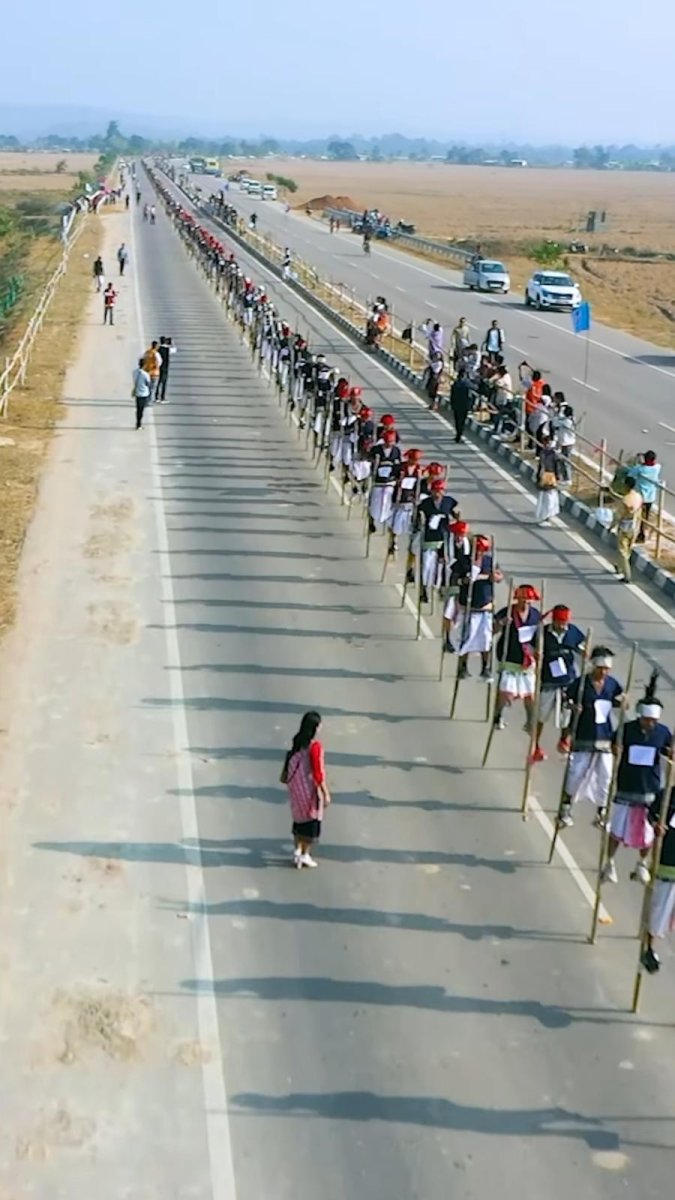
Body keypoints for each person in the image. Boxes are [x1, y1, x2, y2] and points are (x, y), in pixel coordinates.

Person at [601, 673, 672, 885]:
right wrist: (616, 748)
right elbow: (614, 746)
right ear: (640, 716)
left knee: (649, 831)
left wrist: (670, 753)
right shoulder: (626, 730)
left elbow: (669, 752)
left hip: (650, 789)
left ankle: (641, 864)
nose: (650, 723)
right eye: (647, 719)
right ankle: (609, 864)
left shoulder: (663, 732)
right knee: (617, 830)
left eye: (654, 720)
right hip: (626, 787)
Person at [557, 646, 624, 829]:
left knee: (606, 776)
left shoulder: (612, 685)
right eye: (600, 668)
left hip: (604, 738)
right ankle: (565, 807)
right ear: (593, 666)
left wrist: (623, 703)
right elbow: (565, 704)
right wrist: (567, 730)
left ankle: (601, 812)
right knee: (576, 773)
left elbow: (616, 701)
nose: (603, 672)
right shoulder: (579, 684)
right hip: (583, 736)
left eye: (606, 669)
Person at [530, 605, 586, 763]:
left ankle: (564, 739)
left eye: (564, 622)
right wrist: (536, 655)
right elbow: (529, 648)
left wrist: (584, 652)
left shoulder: (573, 631)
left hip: (568, 680)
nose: (562, 625)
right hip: (548, 680)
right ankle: (535, 745)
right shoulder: (542, 633)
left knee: (568, 715)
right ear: (553, 620)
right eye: (559, 622)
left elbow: (581, 646)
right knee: (541, 715)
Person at [446, 535, 502, 679]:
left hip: (485, 608)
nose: (479, 553)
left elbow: (499, 576)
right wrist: (463, 580)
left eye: (482, 550)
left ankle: (485, 667)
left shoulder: (490, 561)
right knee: (466, 640)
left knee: (485, 640)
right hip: (468, 608)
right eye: (477, 550)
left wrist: (494, 577)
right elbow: (453, 579)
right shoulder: (464, 561)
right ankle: (462, 667)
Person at [282, 710, 330, 869]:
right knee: (310, 823)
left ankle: (297, 851)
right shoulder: (315, 747)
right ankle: (305, 854)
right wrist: (325, 792)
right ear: (315, 728)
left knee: (298, 820)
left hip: (296, 789)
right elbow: (318, 772)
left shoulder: (297, 742)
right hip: (310, 791)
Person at [492, 585, 541, 732]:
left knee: (529, 694)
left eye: (528, 600)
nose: (525, 602)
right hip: (509, 657)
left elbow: (540, 637)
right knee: (505, 691)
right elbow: (492, 630)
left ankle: (530, 721)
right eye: (522, 599)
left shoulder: (536, 615)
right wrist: (501, 624)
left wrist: (539, 652)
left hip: (527, 660)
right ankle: (498, 716)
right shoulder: (507, 612)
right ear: (517, 599)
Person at [641, 788, 675, 974]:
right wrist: (657, 825)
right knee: (659, 910)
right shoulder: (667, 796)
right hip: (668, 862)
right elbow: (651, 814)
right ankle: (649, 949)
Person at [610, 474, 643, 582]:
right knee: (627, 549)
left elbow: (618, 516)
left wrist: (611, 526)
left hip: (624, 528)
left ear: (626, 486)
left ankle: (627, 574)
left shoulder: (625, 500)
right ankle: (619, 567)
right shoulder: (638, 497)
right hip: (635, 527)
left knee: (622, 551)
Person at [630, 450, 661, 543]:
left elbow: (630, 475)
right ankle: (642, 534)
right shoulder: (657, 468)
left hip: (639, 496)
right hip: (650, 497)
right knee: (645, 517)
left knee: (634, 515)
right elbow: (653, 464)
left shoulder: (639, 468)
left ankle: (633, 533)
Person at [535, 435, 561, 526]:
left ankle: (548, 517)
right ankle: (545, 517)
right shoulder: (543, 453)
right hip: (544, 476)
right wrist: (538, 477)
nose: (547, 445)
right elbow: (540, 466)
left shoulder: (553, 454)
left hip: (551, 476)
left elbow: (557, 467)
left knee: (550, 498)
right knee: (544, 499)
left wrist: (558, 477)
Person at [450, 369, 473, 443]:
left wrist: (452, 403)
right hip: (464, 405)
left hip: (456, 405)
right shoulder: (467, 383)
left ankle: (458, 435)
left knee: (457, 421)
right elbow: (476, 387)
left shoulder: (455, 383)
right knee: (462, 421)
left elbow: (452, 395)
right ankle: (459, 435)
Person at [131, 357, 152, 430]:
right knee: (141, 410)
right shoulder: (145, 374)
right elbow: (148, 384)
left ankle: (138, 423)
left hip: (137, 392)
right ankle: (139, 424)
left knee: (138, 409)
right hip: (144, 393)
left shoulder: (134, 372)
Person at [156, 336, 176, 404]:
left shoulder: (158, 349)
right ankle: (162, 397)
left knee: (158, 382)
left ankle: (156, 397)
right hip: (165, 368)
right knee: (164, 383)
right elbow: (174, 349)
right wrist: (172, 343)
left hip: (158, 367)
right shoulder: (168, 349)